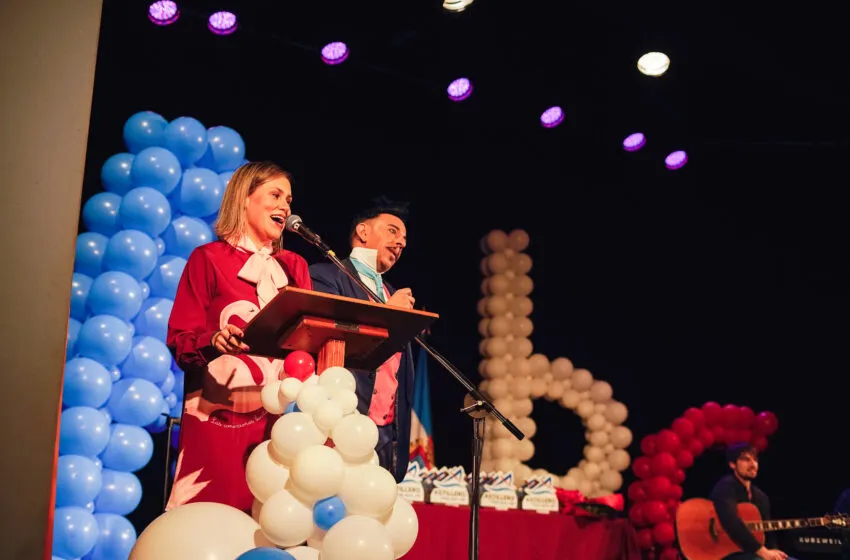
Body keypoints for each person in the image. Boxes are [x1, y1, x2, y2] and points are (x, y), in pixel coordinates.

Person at [165, 161, 312, 514]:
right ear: (244, 200)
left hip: (282, 422)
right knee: (213, 516)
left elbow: (310, 340)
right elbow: (180, 338)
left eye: (289, 200)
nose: (286, 207)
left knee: (275, 519)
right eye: (275, 195)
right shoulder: (208, 259)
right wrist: (213, 340)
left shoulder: (295, 266)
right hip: (219, 419)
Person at [308, 198, 415, 483]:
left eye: (404, 238)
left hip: (386, 433)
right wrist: (390, 313)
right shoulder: (326, 276)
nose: (401, 242)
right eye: (392, 231)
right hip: (343, 422)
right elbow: (330, 338)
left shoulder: (391, 292)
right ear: (363, 232)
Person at [710, 443, 795, 560]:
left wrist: (773, 550)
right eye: (746, 459)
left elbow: (767, 530)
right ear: (732, 464)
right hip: (728, 552)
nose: (753, 464)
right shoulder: (726, 486)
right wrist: (762, 551)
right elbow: (731, 521)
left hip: (752, 552)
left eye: (755, 460)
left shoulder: (761, 497)